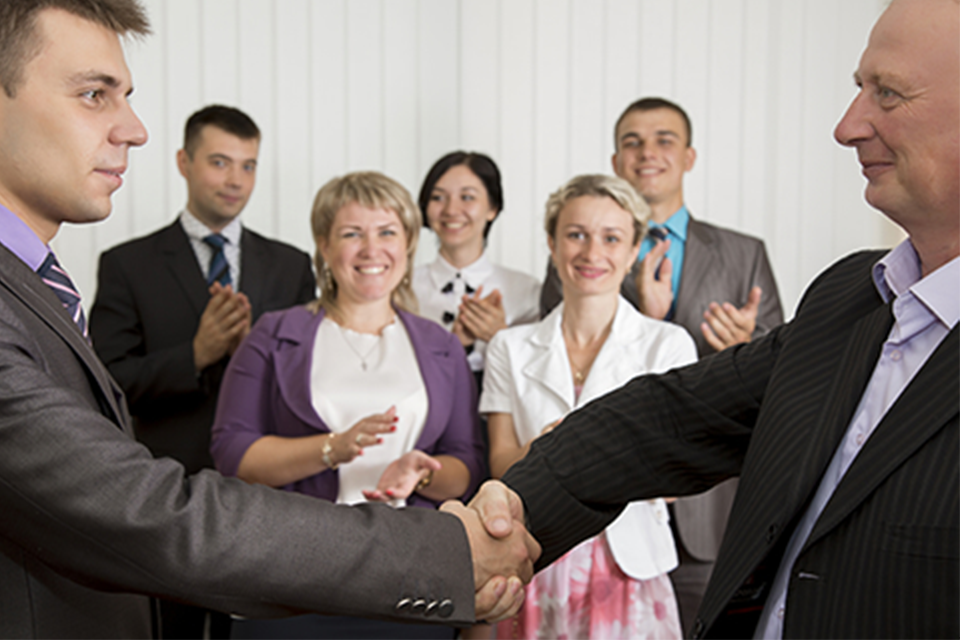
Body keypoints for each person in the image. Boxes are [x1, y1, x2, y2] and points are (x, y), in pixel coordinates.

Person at [0, 1, 535, 636]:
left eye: (125, 96)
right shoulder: (277, 333)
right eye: (94, 94)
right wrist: (440, 550)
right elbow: (147, 507)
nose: (135, 129)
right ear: (326, 249)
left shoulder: (33, 284)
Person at [470, 0, 959, 637]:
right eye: (857, 89)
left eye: (887, 93)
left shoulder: (745, 256)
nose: (846, 126)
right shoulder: (852, 296)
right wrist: (502, 519)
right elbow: (665, 421)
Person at [540, 96, 785, 633]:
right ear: (615, 159)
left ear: (689, 157)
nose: (647, 153)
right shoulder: (578, 251)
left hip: (706, 507)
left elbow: (784, 378)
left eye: (663, 140)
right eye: (632, 141)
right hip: (597, 520)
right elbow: (552, 356)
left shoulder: (744, 254)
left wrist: (745, 349)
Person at [210, 171, 485, 638]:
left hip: (410, 581)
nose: (371, 250)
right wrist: (332, 448)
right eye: (352, 234)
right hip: (290, 581)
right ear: (323, 244)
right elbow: (233, 453)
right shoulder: (274, 335)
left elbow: (468, 464)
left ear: (409, 243)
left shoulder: (440, 346)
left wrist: (422, 471)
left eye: (387, 232)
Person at [89, 103, 316, 638]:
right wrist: (196, 353)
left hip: (268, 492)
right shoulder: (128, 264)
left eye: (248, 165)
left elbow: (309, 380)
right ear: (183, 162)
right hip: (167, 493)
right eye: (219, 162)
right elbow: (105, 384)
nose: (235, 179)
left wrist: (254, 353)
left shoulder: (290, 265)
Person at [482, 174, 697, 638]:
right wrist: (546, 450)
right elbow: (501, 463)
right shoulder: (509, 346)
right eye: (576, 234)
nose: (591, 252)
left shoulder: (669, 345)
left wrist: (572, 453)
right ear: (552, 244)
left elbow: (677, 479)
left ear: (635, 247)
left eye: (611, 237)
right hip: (534, 559)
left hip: (629, 563)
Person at [413, 152, 540, 384]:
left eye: (467, 197)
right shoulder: (404, 288)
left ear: (492, 208)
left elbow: (539, 375)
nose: (451, 210)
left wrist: (500, 335)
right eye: (438, 197)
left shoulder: (526, 290)